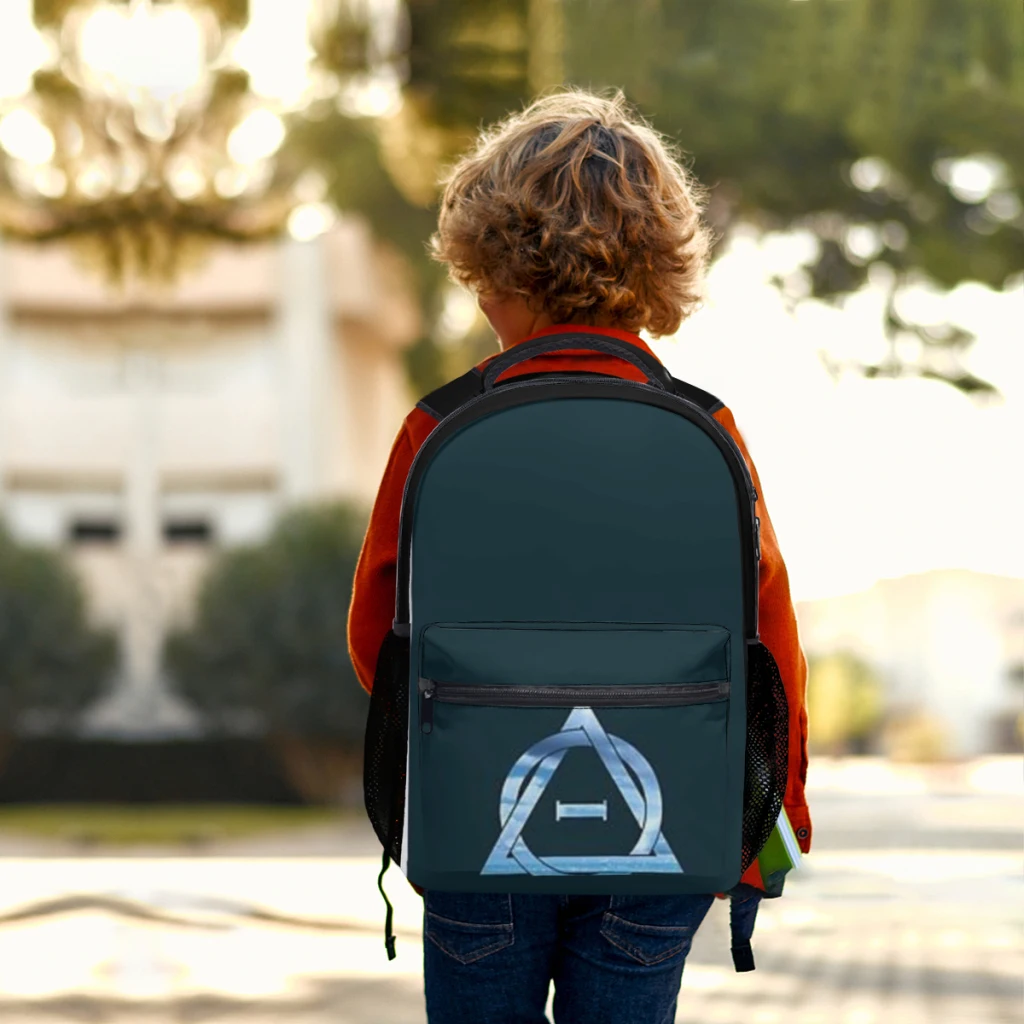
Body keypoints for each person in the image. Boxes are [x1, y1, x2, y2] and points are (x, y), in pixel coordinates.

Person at [347, 87, 810, 1024]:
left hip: (482, 824)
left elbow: (374, 638)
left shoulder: (437, 426)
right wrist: (771, 815)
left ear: (493, 267)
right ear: (658, 266)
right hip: (660, 829)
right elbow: (769, 639)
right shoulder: (706, 427)